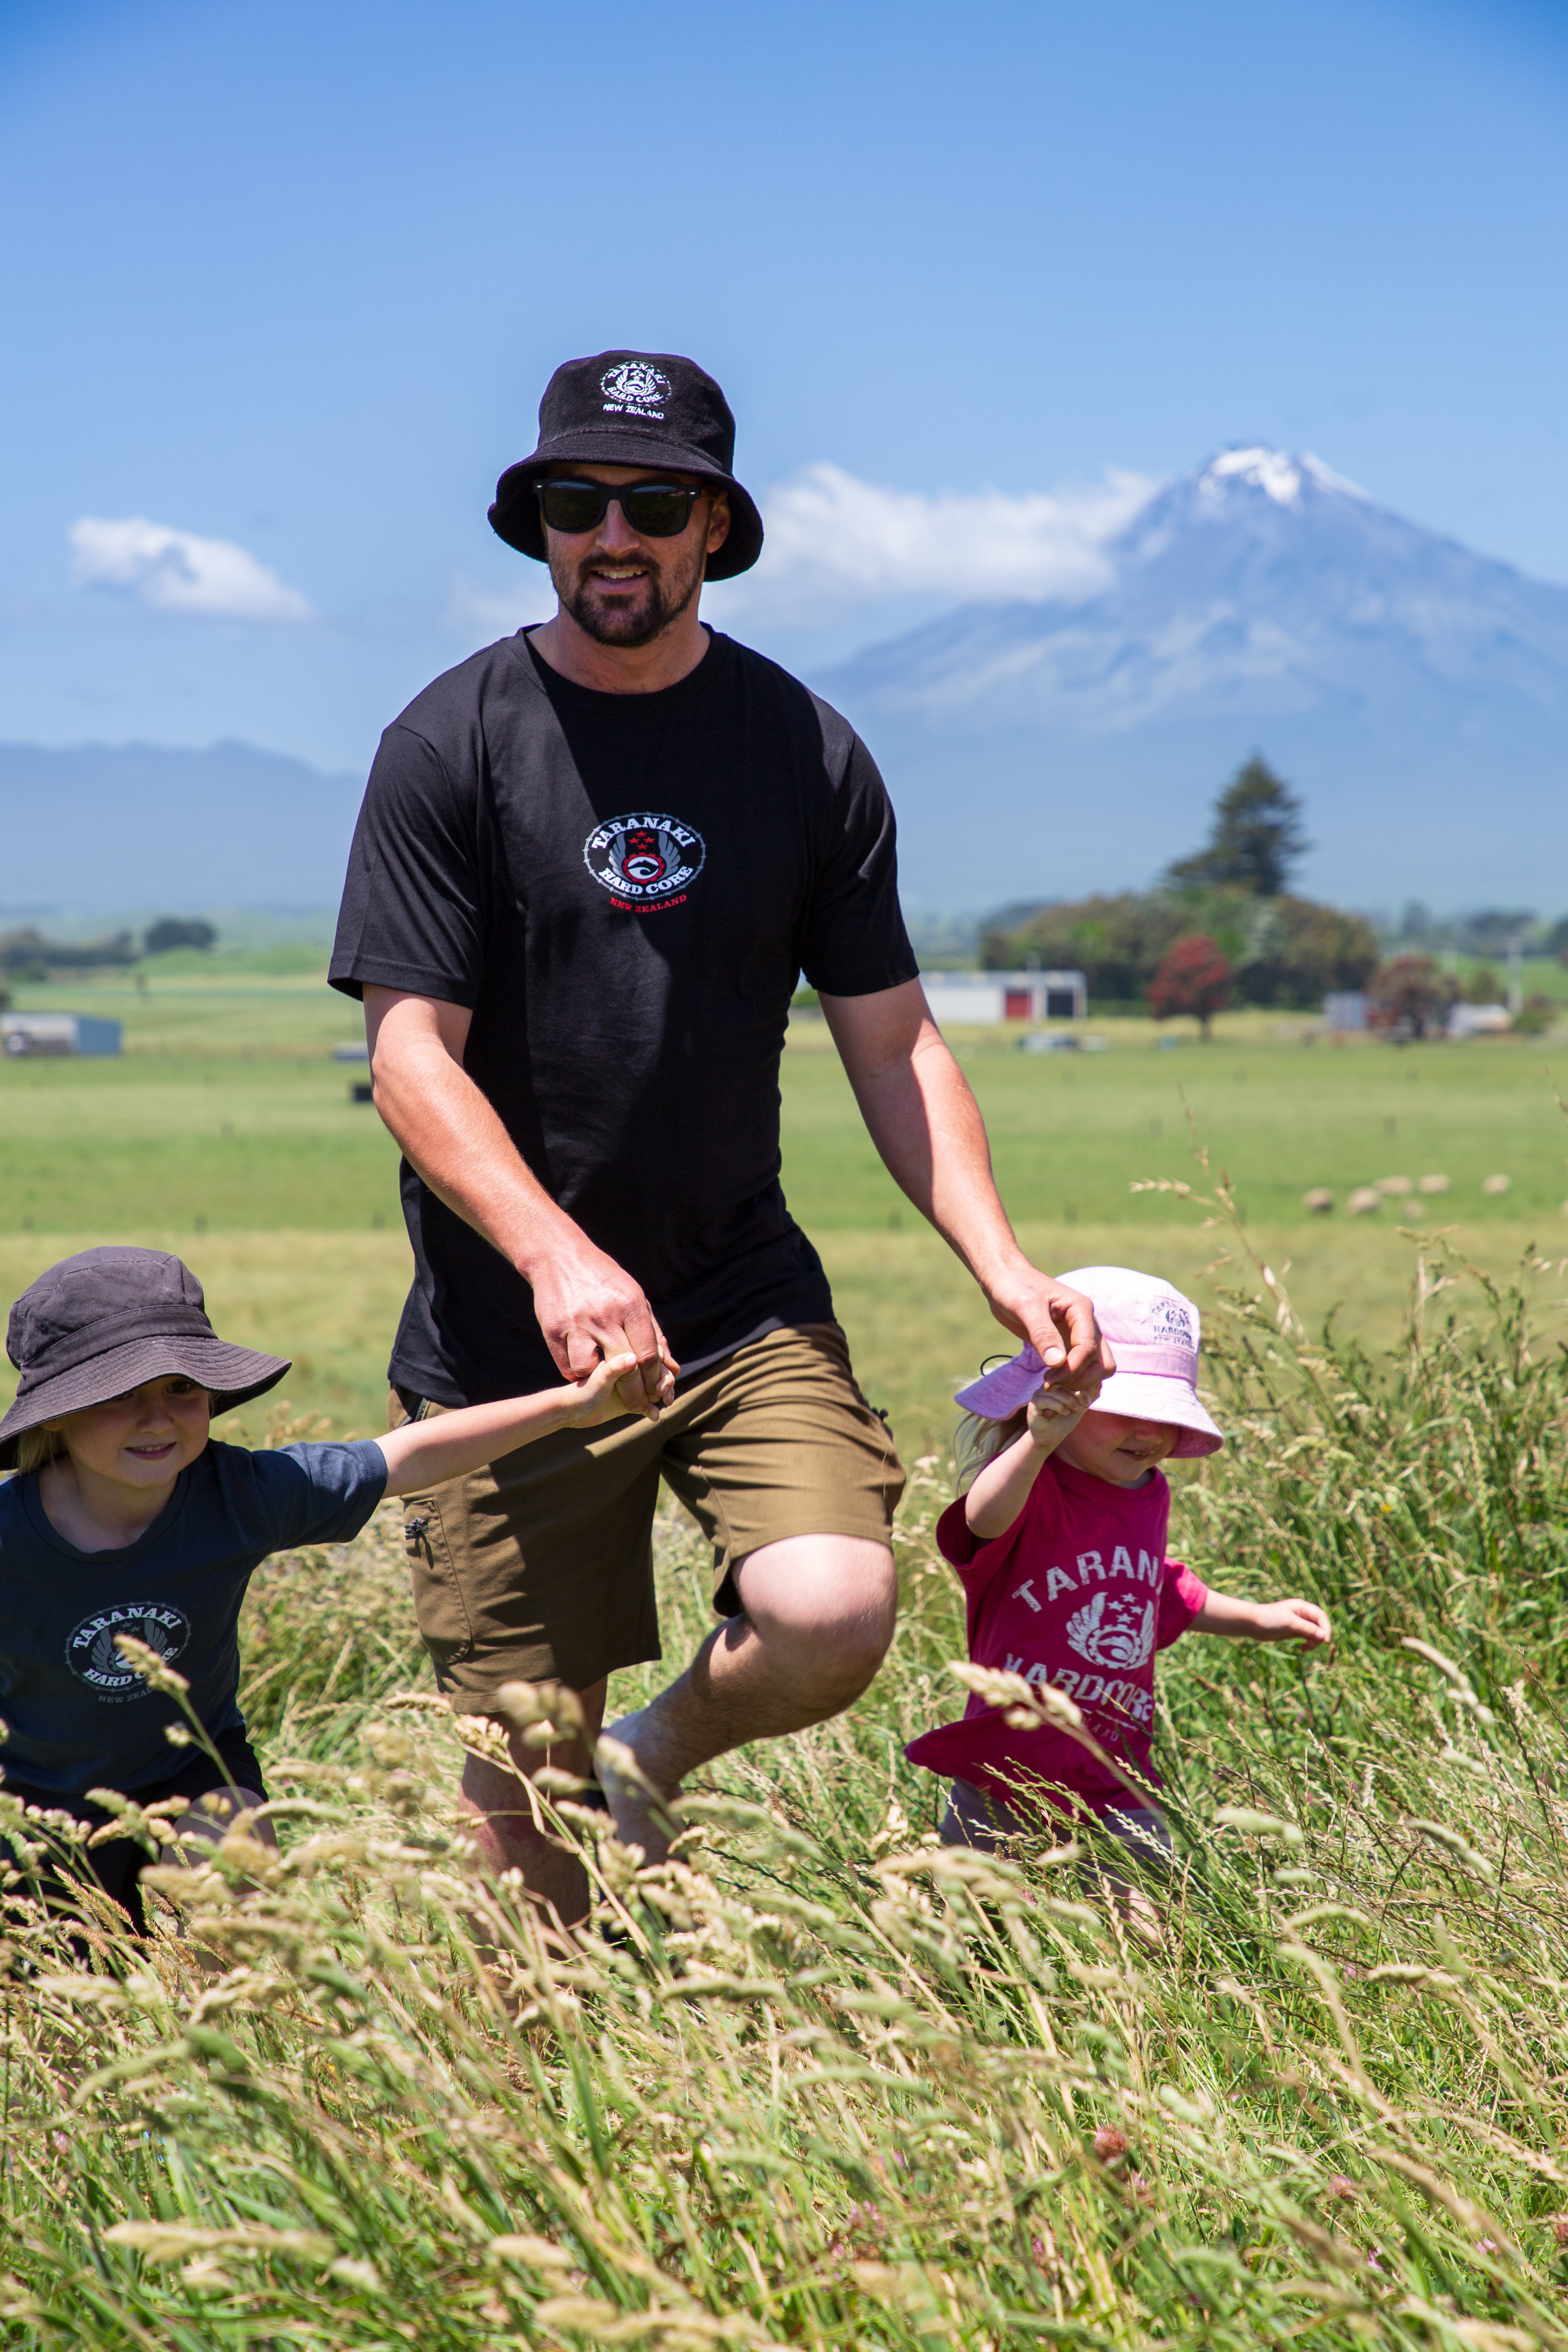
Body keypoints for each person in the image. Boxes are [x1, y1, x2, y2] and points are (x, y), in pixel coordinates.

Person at [329, 346, 1110, 1930]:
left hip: (738, 1296)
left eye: (652, 502)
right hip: (508, 1338)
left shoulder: (805, 754)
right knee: (523, 1798)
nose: (611, 536)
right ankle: (557, 2103)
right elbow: (409, 1056)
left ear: (714, 528)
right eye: (575, 501)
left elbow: (893, 1044)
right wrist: (553, 1257)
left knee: (831, 1612)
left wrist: (1002, 1260)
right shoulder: (449, 743)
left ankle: (658, 1748)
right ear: (537, 521)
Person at [0, 1246, 642, 1932]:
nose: (157, 1418)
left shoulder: (237, 1496)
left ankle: (221, 2025)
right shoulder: (11, 1537)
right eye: (122, 1396)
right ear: (58, 1414)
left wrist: (567, 1409)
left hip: (189, 1776)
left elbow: (404, 1458)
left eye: (181, 1389)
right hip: (30, 1805)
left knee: (235, 1873)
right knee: (56, 2015)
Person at [907, 1266, 1330, 1869]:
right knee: (984, 1927)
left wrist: (1261, 1620)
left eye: (1167, 1414)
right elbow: (982, 1520)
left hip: (1115, 1772)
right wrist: (1038, 1442)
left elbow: (1158, 1592)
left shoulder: (1147, 1492)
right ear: (1054, 1396)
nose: (1151, 1431)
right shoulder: (1033, 1485)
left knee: (1144, 1930)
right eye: (1123, 1406)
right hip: (1006, 1768)